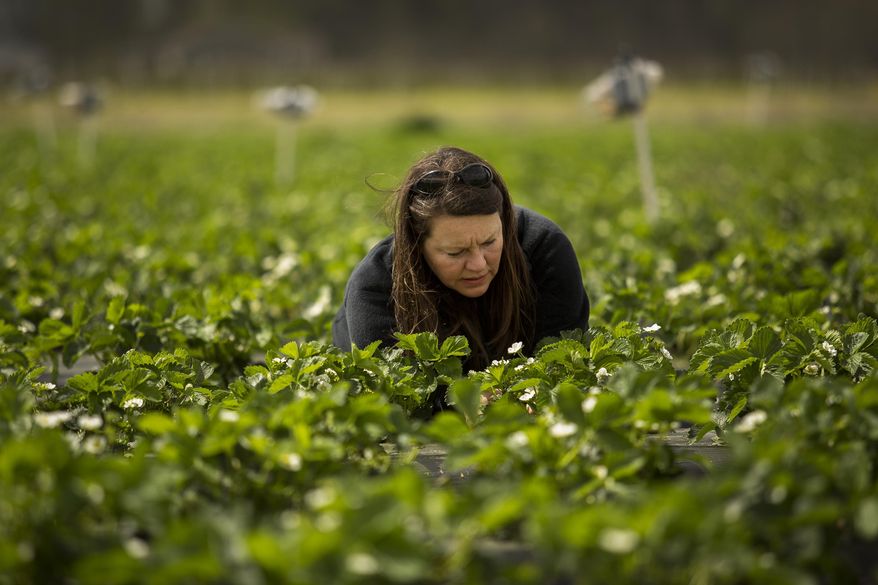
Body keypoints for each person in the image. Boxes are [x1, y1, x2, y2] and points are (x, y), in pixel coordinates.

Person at [332, 146, 589, 371]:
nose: (478, 265)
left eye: (490, 242)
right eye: (455, 252)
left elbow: (560, 363)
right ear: (416, 246)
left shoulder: (545, 248)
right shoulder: (374, 286)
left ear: (505, 224)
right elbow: (395, 395)